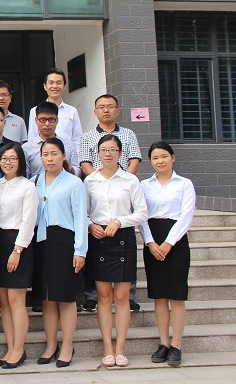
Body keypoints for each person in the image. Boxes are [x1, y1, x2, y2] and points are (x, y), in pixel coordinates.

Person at [85, 134, 149, 368]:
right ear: (98, 154)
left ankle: (120, 349)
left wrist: (120, 221)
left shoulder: (130, 180)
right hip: (99, 239)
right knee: (103, 297)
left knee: (121, 298)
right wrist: (90, 225)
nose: (108, 154)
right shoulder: (90, 180)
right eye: (104, 150)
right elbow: (84, 212)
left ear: (120, 154)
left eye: (113, 150)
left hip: (123, 237)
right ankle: (107, 349)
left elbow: (142, 213)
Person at [80, 95, 143, 313]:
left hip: (122, 192)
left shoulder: (128, 134)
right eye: (101, 107)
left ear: (117, 110)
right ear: (95, 111)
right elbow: (85, 162)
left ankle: (129, 297)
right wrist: (100, 178)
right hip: (98, 190)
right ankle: (92, 296)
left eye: (110, 106)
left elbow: (134, 160)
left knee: (125, 271)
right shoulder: (87, 137)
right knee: (98, 270)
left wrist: (122, 178)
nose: (105, 110)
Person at [140, 142, 196, 368]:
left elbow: (186, 216)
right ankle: (163, 343)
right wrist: (150, 242)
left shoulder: (184, 184)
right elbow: (142, 215)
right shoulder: (144, 185)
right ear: (150, 161)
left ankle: (176, 345)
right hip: (152, 241)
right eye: (155, 158)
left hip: (176, 242)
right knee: (160, 296)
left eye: (164, 156)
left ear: (173, 158)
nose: (160, 161)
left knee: (177, 296)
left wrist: (168, 243)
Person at [32, 138, 87, 368]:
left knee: (65, 297)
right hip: (41, 242)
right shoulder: (35, 181)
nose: (50, 159)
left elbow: (81, 218)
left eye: (54, 154)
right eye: (45, 154)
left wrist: (80, 250)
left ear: (63, 156)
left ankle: (67, 346)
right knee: (47, 298)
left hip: (64, 241)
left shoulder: (74, 183)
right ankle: (51, 344)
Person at [0, 143, 37, 369]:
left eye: (12, 158)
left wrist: (17, 250)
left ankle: (19, 350)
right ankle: (10, 348)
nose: (7, 162)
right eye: (4, 158)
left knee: (16, 300)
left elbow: (29, 221)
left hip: (18, 243)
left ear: (20, 161)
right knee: (3, 300)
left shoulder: (28, 186)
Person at [27, 69, 83, 154]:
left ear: (64, 86)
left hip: (67, 157)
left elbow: (77, 139)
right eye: (51, 83)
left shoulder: (72, 111)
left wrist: (76, 159)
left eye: (59, 83)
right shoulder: (35, 111)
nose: (55, 86)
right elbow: (32, 138)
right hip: (43, 157)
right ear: (45, 86)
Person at [23, 101, 80, 178]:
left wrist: (69, 169)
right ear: (36, 120)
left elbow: (78, 171)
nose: (47, 124)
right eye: (43, 120)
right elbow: (25, 176)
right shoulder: (27, 148)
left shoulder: (68, 145)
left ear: (57, 120)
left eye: (51, 119)